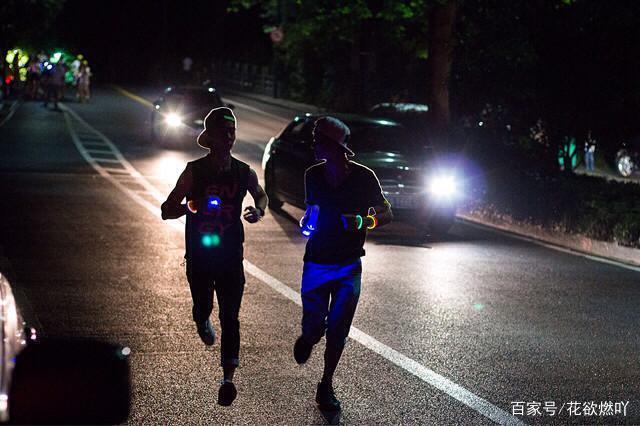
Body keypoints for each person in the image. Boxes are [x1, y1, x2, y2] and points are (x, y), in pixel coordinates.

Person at [161, 107, 268, 406]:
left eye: (233, 131)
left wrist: (258, 210)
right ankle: (200, 319)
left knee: (231, 317)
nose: (230, 136)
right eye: (224, 131)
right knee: (204, 306)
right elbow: (165, 209)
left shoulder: (243, 172)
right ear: (211, 138)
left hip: (231, 255)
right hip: (200, 256)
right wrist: (189, 207)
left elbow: (260, 194)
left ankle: (228, 380)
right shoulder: (194, 171)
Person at [294, 117, 393, 411]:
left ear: (335, 147)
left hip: (349, 265)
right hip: (316, 262)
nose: (313, 144)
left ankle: (326, 384)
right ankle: (309, 336)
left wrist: (363, 220)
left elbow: (387, 213)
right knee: (314, 326)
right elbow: (311, 211)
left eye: (318, 139)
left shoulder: (364, 178)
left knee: (339, 329)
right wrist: (306, 222)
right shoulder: (313, 175)